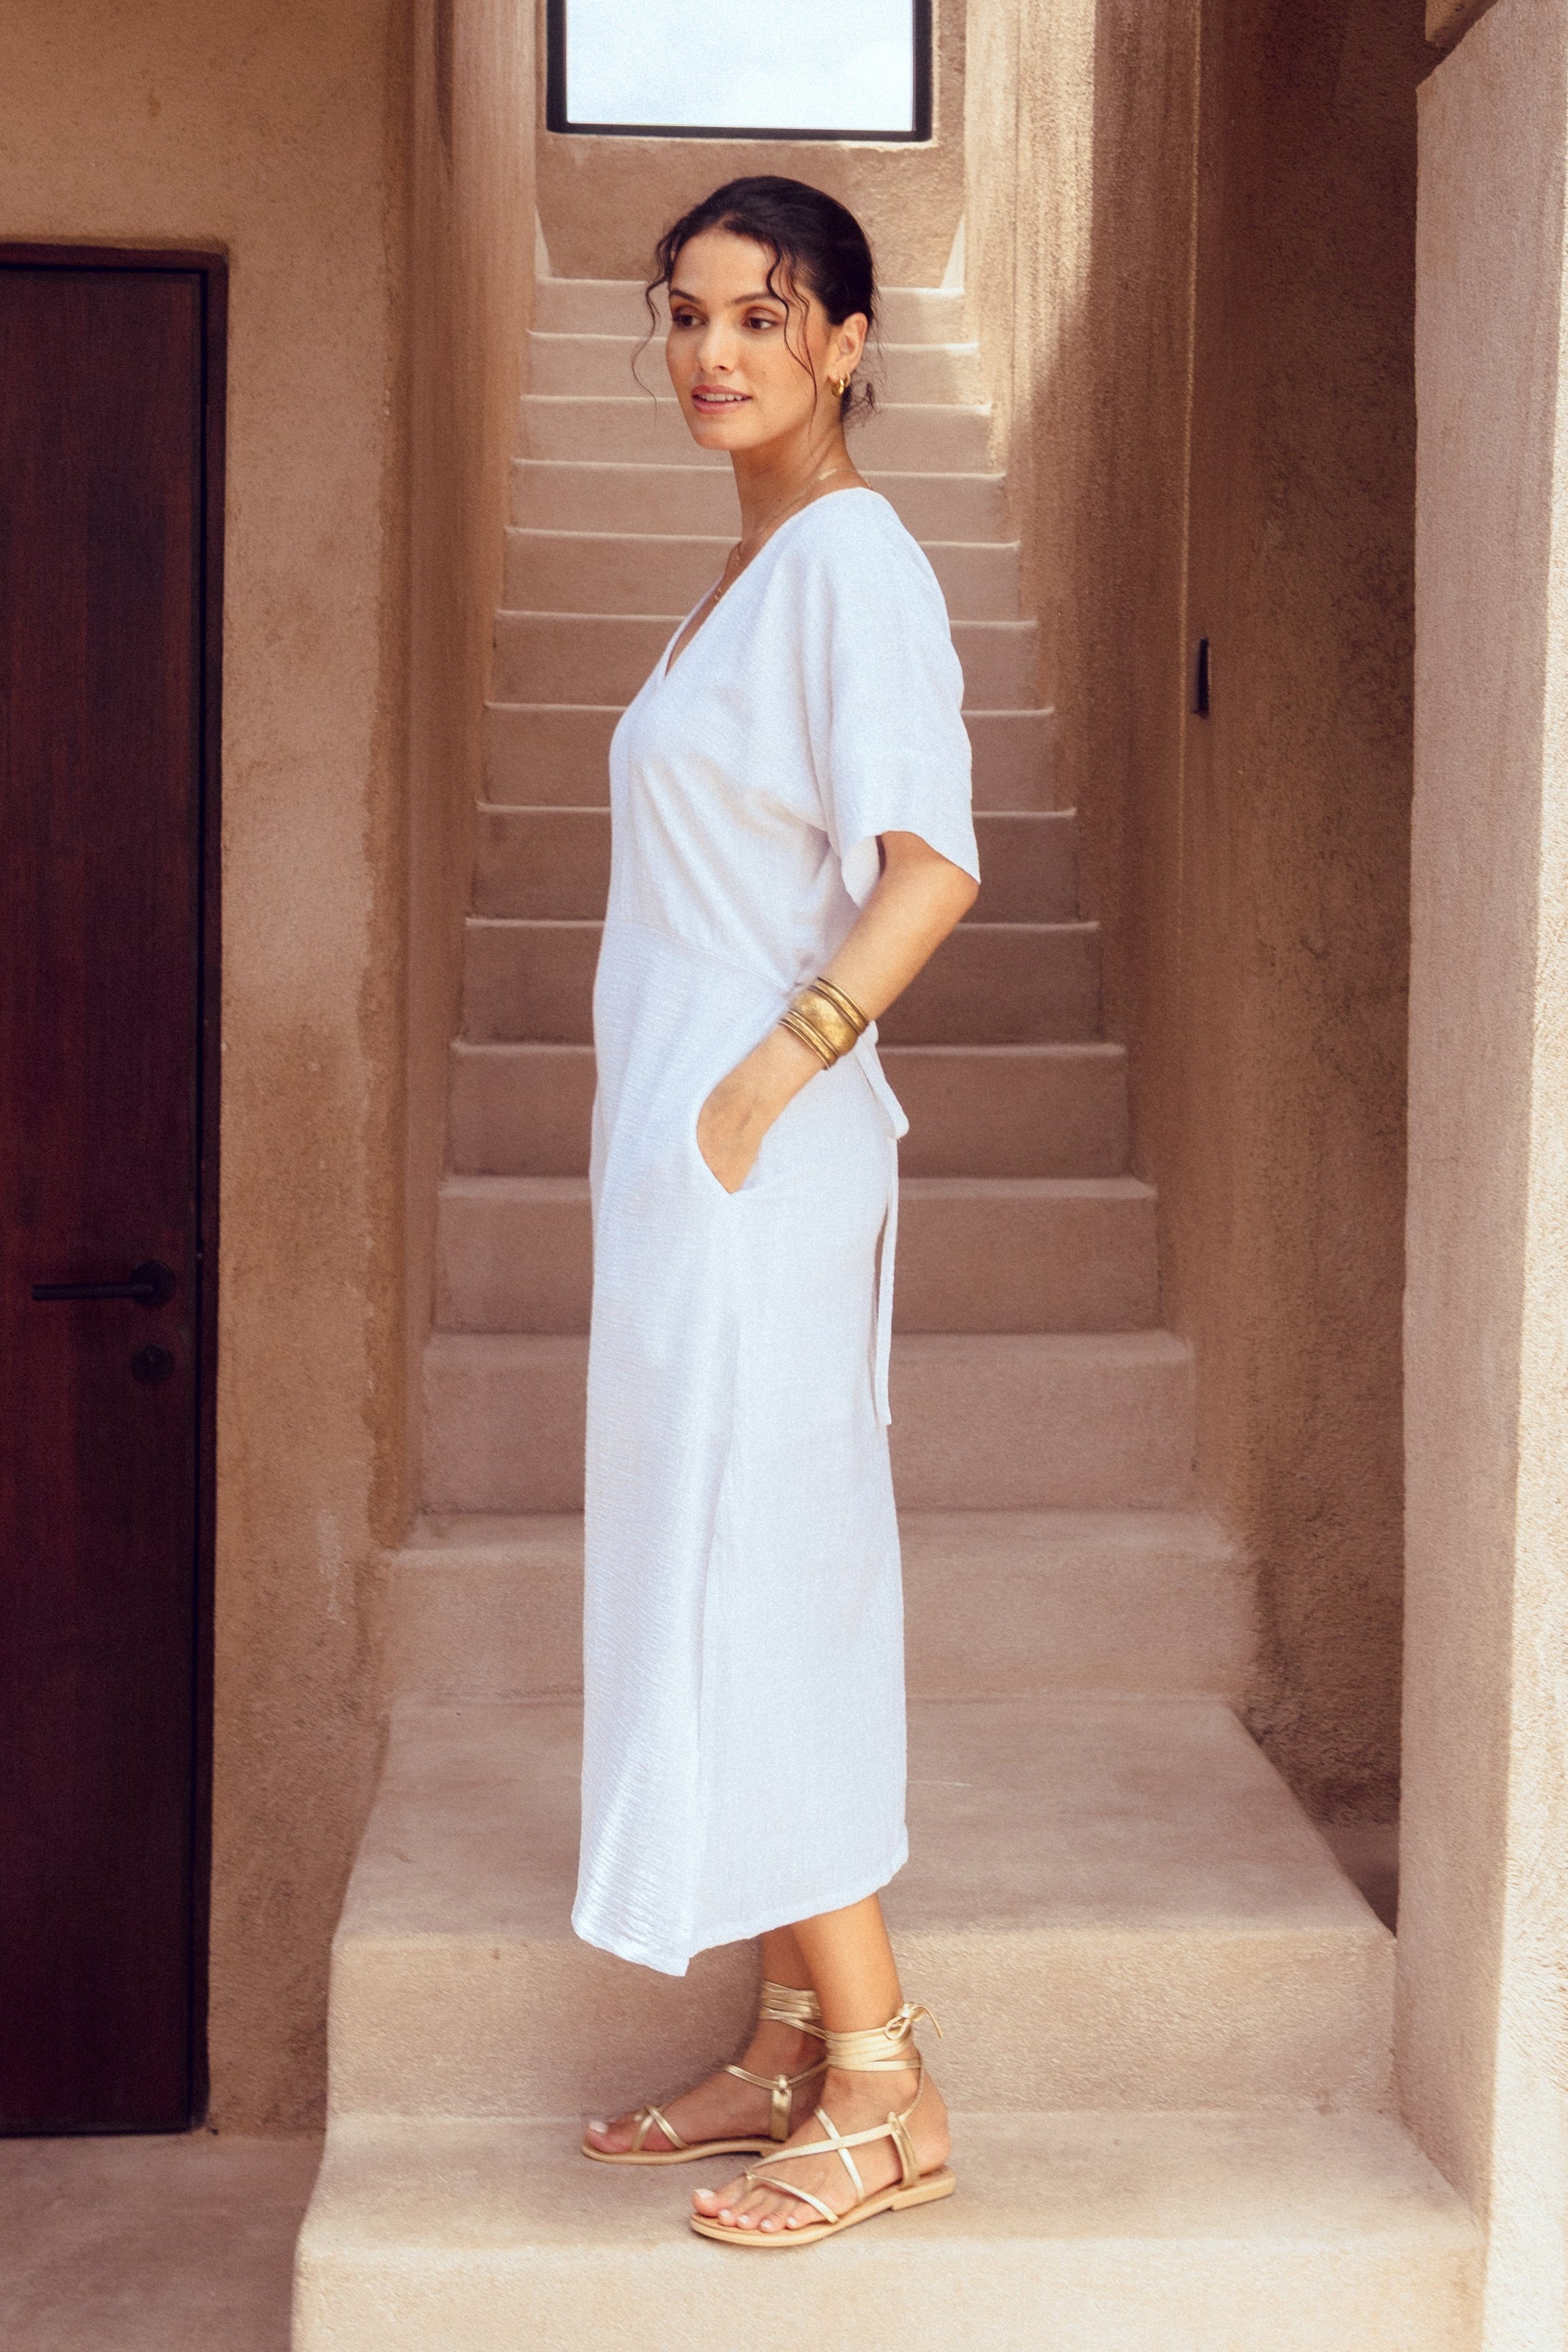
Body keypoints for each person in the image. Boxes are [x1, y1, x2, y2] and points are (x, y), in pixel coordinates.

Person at [574, 175, 979, 2247]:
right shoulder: (742, 579)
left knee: (763, 1575)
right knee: (704, 1561)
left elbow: (929, 863)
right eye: (684, 315)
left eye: (764, 315)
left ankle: (886, 2086)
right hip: (685, 1172)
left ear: (845, 344)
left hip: (760, 1162)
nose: (713, 352)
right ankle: (781, 2045)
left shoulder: (853, 566)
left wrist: (761, 1074)